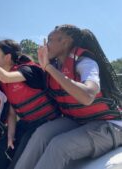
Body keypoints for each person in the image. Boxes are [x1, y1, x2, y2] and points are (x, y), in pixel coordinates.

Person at [14, 24, 122, 169]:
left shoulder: (86, 62)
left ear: (65, 42)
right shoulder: (55, 66)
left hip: (108, 124)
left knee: (58, 146)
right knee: (41, 134)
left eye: (50, 40)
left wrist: (49, 68)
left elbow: (88, 96)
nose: (45, 45)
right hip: (79, 120)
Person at [0, 39, 59, 169]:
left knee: (22, 150)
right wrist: (10, 135)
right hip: (26, 123)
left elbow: (5, 76)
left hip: (47, 122)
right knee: (1, 150)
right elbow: (12, 112)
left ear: (8, 57)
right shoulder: (2, 82)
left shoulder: (28, 70)